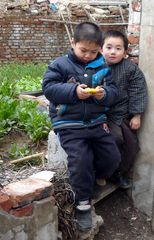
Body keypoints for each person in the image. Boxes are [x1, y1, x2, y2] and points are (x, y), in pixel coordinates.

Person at [42, 22, 121, 231]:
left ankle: (93, 179)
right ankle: (82, 205)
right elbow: (49, 88)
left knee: (112, 157)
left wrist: (106, 94)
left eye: (93, 52)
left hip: (96, 122)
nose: (88, 55)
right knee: (81, 160)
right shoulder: (60, 65)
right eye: (83, 50)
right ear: (73, 42)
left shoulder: (103, 66)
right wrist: (73, 91)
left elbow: (114, 92)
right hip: (69, 124)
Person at [101, 30, 148, 187]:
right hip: (101, 115)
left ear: (125, 52)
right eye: (109, 47)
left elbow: (138, 90)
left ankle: (118, 173)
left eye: (118, 48)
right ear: (101, 49)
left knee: (132, 146)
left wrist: (137, 115)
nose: (113, 52)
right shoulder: (94, 67)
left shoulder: (130, 69)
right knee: (115, 139)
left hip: (122, 116)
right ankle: (104, 173)